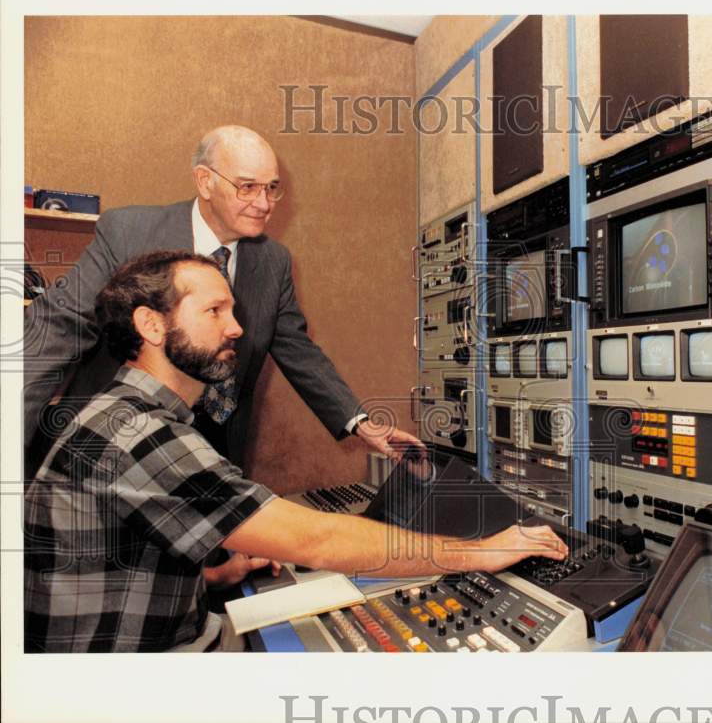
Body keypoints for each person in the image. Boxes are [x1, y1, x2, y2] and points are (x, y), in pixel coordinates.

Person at [23, 251, 569, 652]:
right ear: (151, 325)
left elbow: (117, 557)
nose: (236, 328)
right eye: (214, 311)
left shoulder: (123, 412)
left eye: (232, 310)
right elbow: (318, 537)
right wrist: (481, 553)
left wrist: (210, 579)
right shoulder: (141, 433)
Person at [23, 124, 420, 476]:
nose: (263, 203)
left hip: (213, 451)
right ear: (204, 181)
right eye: (247, 186)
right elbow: (58, 325)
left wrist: (360, 422)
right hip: (119, 442)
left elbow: (297, 348)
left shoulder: (273, 261)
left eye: (272, 188)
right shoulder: (128, 231)